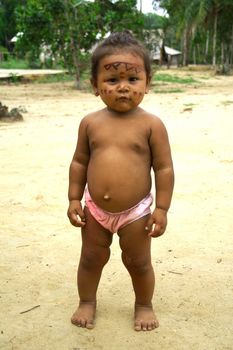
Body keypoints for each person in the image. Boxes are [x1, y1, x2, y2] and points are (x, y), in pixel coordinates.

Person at [67, 31, 174, 332]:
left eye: (133, 79)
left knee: (138, 262)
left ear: (147, 84)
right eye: (113, 81)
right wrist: (74, 199)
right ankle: (87, 300)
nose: (123, 87)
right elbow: (79, 162)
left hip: (136, 212)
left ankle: (143, 305)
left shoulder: (151, 125)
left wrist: (162, 208)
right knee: (90, 258)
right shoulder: (90, 123)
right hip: (95, 210)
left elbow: (164, 169)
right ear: (95, 86)